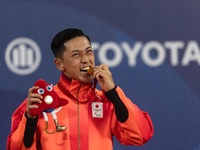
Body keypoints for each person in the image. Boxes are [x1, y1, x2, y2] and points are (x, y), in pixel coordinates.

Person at [7, 28, 154, 150]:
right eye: (76, 54)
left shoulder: (106, 100)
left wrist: (113, 92)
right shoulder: (40, 102)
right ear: (59, 64)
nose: (86, 59)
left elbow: (141, 136)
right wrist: (30, 119)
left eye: (89, 51)